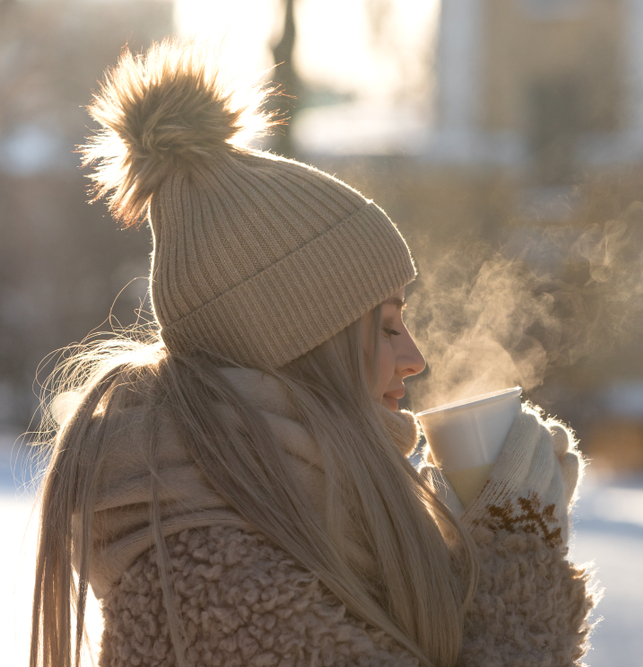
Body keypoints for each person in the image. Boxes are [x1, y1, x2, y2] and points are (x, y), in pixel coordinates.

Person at [30, 41, 594, 667]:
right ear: (298, 346)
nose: (415, 358)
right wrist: (519, 570)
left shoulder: (271, 541)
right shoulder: (215, 594)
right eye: (383, 327)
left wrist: (461, 558)